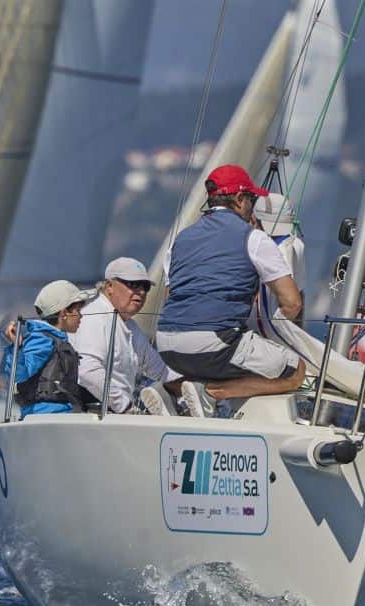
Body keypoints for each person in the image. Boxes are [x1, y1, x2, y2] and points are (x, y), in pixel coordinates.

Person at [157, 164, 306, 418]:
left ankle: (171, 390)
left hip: (166, 345)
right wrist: (273, 332)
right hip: (214, 344)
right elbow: (292, 303)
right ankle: (210, 393)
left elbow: (171, 298)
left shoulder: (181, 239)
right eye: (252, 199)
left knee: (214, 356)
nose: (253, 207)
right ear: (239, 199)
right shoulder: (254, 238)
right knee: (295, 371)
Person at [72, 257, 182, 415]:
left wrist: (196, 384)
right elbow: (87, 372)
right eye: (133, 284)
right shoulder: (94, 317)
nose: (141, 292)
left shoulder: (131, 327)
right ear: (109, 286)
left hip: (116, 413)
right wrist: (125, 406)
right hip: (93, 414)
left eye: (145, 287)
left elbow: (160, 370)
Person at [3, 280, 89, 417]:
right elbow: (19, 375)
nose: (81, 316)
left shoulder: (57, 339)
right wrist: (17, 348)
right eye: (77, 311)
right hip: (44, 415)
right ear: (64, 313)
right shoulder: (42, 339)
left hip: (61, 414)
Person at [251, 192, 305, 334]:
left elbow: (296, 301)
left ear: (253, 220)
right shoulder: (297, 244)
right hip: (275, 329)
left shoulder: (295, 246)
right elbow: (299, 296)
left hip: (266, 331)